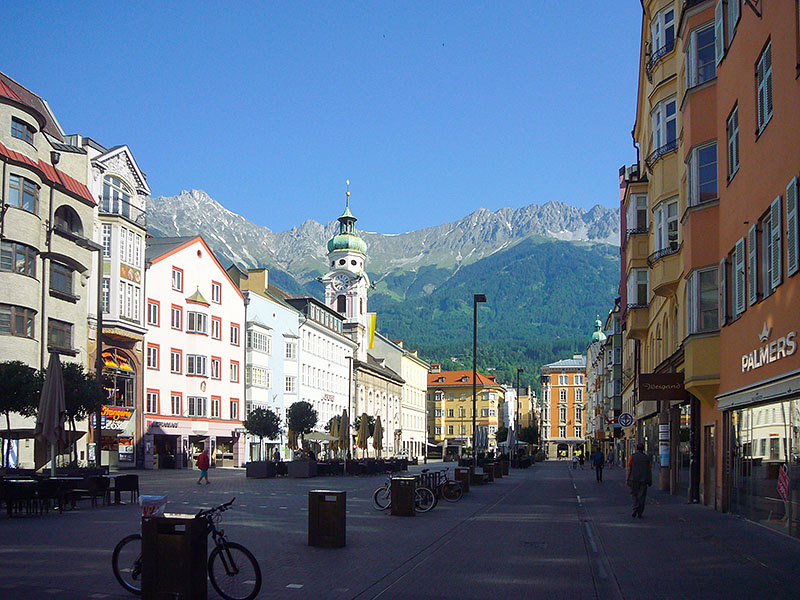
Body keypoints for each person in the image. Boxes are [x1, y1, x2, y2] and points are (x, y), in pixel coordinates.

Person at [626, 443, 652, 517]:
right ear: (643, 449)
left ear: (636, 449)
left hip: (633, 479)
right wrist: (650, 480)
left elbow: (629, 468)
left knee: (634, 494)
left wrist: (627, 479)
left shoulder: (632, 457)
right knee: (642, 496)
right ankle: (640, 511)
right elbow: (649, 470)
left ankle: (635, 508)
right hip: (643, 480)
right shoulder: (647, 458)